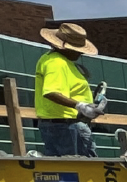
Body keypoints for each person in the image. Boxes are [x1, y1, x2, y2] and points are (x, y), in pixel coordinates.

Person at [32, 23, 109, 157]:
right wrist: (81, 106)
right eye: (77, 49)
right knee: (84, 170)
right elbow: (51, 92)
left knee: (67, 171)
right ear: (65, 47)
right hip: (66, 126)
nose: (80, 53)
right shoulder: (57, 63)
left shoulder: (54, 60)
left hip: (60, 125)